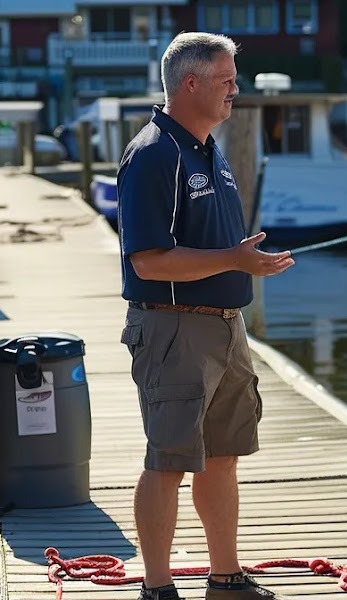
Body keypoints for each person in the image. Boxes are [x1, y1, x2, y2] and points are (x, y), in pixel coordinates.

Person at [116, 32, 296, 600]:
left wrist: (244, 265)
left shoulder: (209, 147)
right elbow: (147, 261)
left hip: (224, 325)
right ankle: (158, 588)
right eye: (226, 80)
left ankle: (225, 576)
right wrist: (234, 259)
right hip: (173, 329)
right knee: (167, 459)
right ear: (189, 84)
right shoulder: (153, 154)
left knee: (224, 455)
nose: (235, 91)